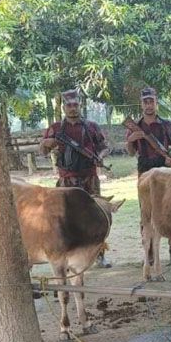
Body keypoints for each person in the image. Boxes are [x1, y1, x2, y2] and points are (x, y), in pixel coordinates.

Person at [41, 88, 113, 267]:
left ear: (80, 105)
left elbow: (105, 146)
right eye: (69, 105)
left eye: (75, 105)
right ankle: (68, 255)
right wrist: (46, 143)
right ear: (64, 107)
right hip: (66, 181)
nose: (73, 108)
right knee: (64, 219)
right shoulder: (56, 128)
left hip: (89, 178)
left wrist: (100, 157)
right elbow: (42, 150)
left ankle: (99, 254)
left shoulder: (91, 127)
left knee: (95, 217)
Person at [125, 87, 171, 264]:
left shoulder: (166, 125)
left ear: (156, 103)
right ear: (141, 104)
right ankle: (149, 252)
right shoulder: (134, 126)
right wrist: (130, 140)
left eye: (152, 101)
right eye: (145, 102)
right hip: (145, 174)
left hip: (166, 173)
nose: (149, 105)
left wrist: (170, 158)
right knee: (146, 213)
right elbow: (129, 152)